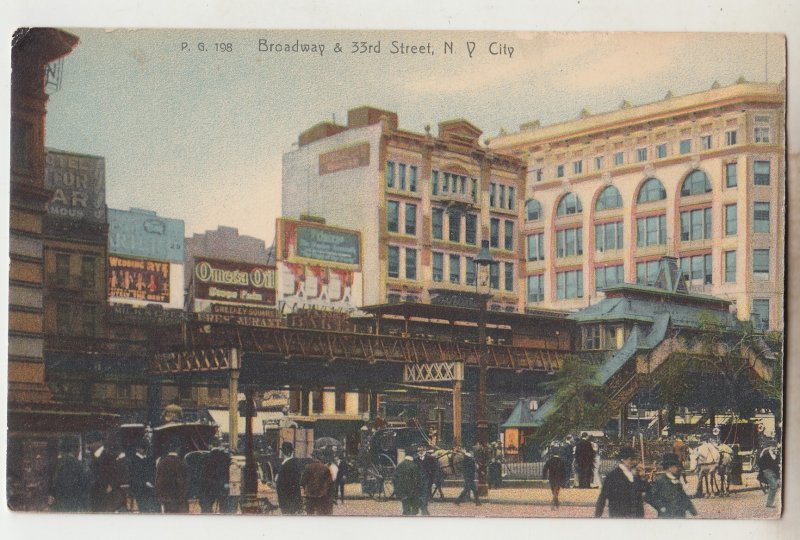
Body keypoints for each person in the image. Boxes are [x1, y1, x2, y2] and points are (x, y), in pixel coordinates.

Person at [594, 446, 648, 518]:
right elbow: (602, 497)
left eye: (635, 459)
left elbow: (645, 490)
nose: (634, 462)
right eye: (631, 459)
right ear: (623, 459)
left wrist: (643, 477)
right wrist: (597, 515)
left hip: (636, 517)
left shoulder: (636, 475)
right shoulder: (613, 476)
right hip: (619, 516)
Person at [645, 453, 697, 518]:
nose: (678, 468)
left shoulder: (676, 480)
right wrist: (661, 507)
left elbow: (683, 496)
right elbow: (648, 497)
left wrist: (691, 509)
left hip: (679, 515)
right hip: (667, 515)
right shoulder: (660, 481)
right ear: (669, 467)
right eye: (676, 466)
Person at [86, 431, 126, 512]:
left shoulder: (110, 455)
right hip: (96, 497)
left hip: (109, 497)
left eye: (90, 442)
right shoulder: (91, 457)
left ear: (99, 442)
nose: (87, 446)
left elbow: (120, 472)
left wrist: (112, 485)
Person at [49, 436, 89, 512]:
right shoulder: (79, 465)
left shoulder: (57, 463)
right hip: (74, 507)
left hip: (58, 506)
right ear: (75, 449)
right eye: (79, 448)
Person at [155, 439, 189, 513]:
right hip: (180, 498)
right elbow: (186, 481)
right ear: (178, 449)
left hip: (167, 499)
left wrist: (160, 497)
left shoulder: (162, 462)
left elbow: (159, 481)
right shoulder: (182, 462)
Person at [129, 439, 158, 513]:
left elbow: (153, 472)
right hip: (139, 489)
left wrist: (151, 482)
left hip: (150, 488)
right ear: (137, 448)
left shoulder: (149, 459)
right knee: (144, 509)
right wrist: (145, 483)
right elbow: (132, 477)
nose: (144, 450)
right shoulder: (132, 460)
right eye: (143, 448)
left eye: (146, 448)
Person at [276, 441, 304, 514]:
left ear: (285, 452)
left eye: (282, 451)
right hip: (291, 497)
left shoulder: (288, 465)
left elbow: (285, 483)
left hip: (287, 498)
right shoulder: (293, 463)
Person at [199, 446, 230, 513]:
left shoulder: (205, 457)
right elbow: (226, 472)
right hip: (221, 485)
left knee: (206, 507)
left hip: (208, 485)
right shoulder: (225, 456)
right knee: (224, 508)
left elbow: (202, 473)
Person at [394, 447, 423, 516]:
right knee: (414, 512)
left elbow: (395, 479)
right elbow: (418, 481)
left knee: (406, 511)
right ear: (413, 455)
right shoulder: (414, 466)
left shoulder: (400, 465)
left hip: (403, 494)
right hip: (413, 494)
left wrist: (398, 491)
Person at [414, 444, 436, 515]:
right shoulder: (415, 458)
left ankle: (424, 509)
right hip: (418, 479)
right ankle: (424, 510)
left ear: (424, 449)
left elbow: (434, 469)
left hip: (427, 478)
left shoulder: (430, 458)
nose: (420, 451)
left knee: (425, 493)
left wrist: (432, 478)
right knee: (421, 494)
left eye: (421, 449)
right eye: (419, 450)